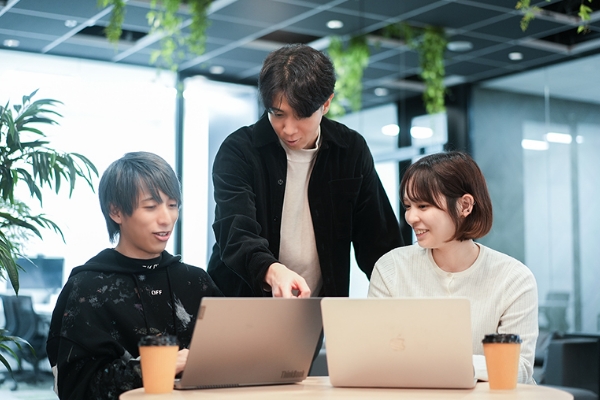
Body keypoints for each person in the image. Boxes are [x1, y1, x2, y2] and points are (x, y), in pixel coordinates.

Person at [207, 43, 403, 298]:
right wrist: (272, 270)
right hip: (241, 302)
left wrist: (400, 297)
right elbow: (235, 231)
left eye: (301, 115)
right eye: (278, 114)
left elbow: (379, 241)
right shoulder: (240, 150)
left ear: (326, 103)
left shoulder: (350, 150)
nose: (288, 129)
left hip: (317, 304)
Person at [46, 152, 223, 400]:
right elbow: (76, 388)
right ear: (116, 211)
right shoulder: (87, 288)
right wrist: (160, 365)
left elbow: (229, 356)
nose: (166, 219)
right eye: (151, 207)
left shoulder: (196, 281)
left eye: (173, 205)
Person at [368, 151, 538, 384]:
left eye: (423, 205)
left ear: (464, 205)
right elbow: (376, 356)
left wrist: (446, 365)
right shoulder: (391, 268)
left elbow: (519, 369)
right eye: (408, 206)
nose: (411, 217)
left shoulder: (514, 278)